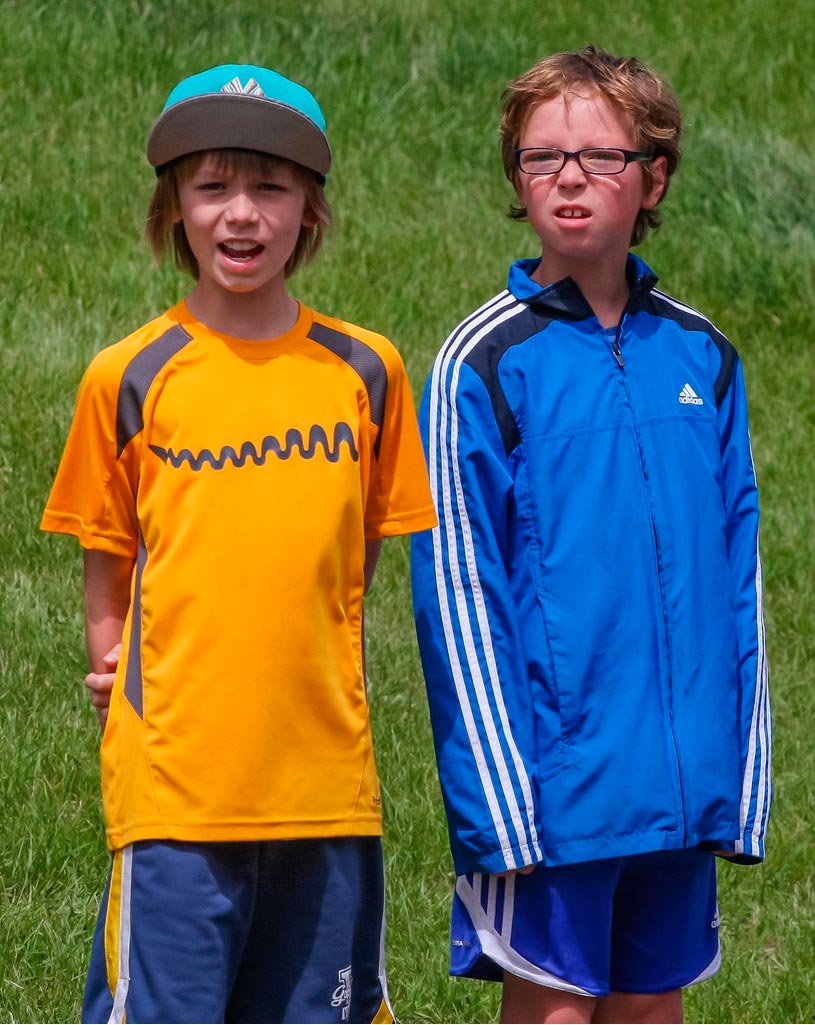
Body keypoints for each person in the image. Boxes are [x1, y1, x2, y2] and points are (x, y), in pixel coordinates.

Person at [41, 63, 436, 1024]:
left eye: (271, 186)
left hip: (326, 790)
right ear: (173, 206)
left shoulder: (367, 370)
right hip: (175, 792)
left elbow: (352, 565)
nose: (241, 214)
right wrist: (113, 665)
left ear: (311, 210)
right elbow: (109, 555)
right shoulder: (128, 376)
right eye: (212, 186)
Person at [410, 45, 771, 1024]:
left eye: (599, 157)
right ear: (515, 179)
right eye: (539, 157)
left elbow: (735, 578)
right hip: (551, 784)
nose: (567, 177)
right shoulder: (478, 363)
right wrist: (498, 797)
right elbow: (457, 596)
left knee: (652, 1007)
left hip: (677, 778)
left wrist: (733, 769)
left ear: (651, 178)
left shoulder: (702, 355)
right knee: (557, 1009)